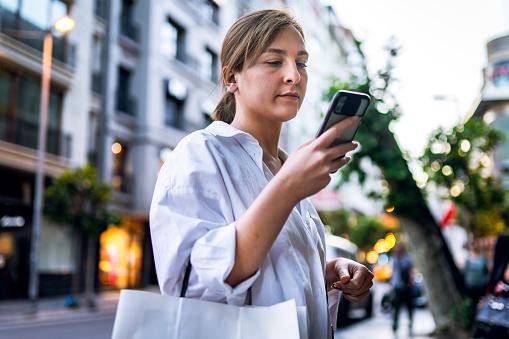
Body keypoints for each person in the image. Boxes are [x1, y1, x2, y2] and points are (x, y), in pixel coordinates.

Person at [150, 9, 373, 339]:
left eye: (301, 62)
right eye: (274, 61)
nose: (293, 76)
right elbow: (194, 285)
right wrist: (286, 189)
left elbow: (270, 277)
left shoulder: (286, 170)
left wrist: (324, 274)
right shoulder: (200, 152)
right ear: (231, 78)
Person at [390, 243, 414, 333]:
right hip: (397, 286)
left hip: (407, 286)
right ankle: (395, 324)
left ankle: (410, 322)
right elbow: (392, 271)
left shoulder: (408, 257)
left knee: (409, 306)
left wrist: (411, 280)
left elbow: (411, 270)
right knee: (396, 307)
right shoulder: (394, 258)